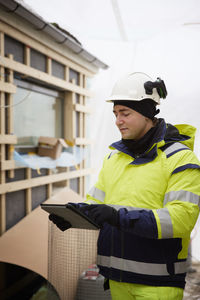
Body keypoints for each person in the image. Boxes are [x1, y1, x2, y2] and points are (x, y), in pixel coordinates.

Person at [49, 72, 200, 300]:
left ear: (147, 114)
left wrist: (117, 216)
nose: (118, 121)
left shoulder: (181, 159)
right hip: (117, 279)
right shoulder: (114, 158)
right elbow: (98, 203)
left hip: (157, 285)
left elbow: (180, 219)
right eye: (115, 113)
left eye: (125, 113)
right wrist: (76, 215)